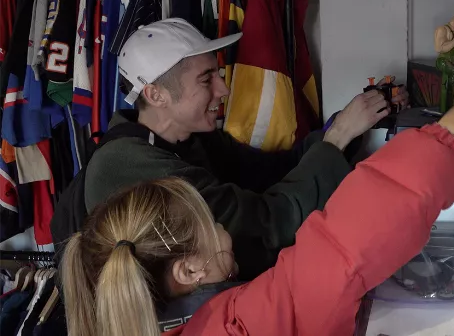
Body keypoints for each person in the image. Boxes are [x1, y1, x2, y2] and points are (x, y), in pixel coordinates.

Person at [60, 90, 454, 336]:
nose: (225, 227)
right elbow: (340, 250)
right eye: (211, 224)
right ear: (189, 268)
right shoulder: (237, 322)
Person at [79, 18, 408, 280]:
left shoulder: (190, 138)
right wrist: (337, 137)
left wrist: (352, 121)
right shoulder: (131, 168)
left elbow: (278, 170)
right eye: (207, 80)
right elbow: (268, 224)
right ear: (155, 95)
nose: (223, 89)